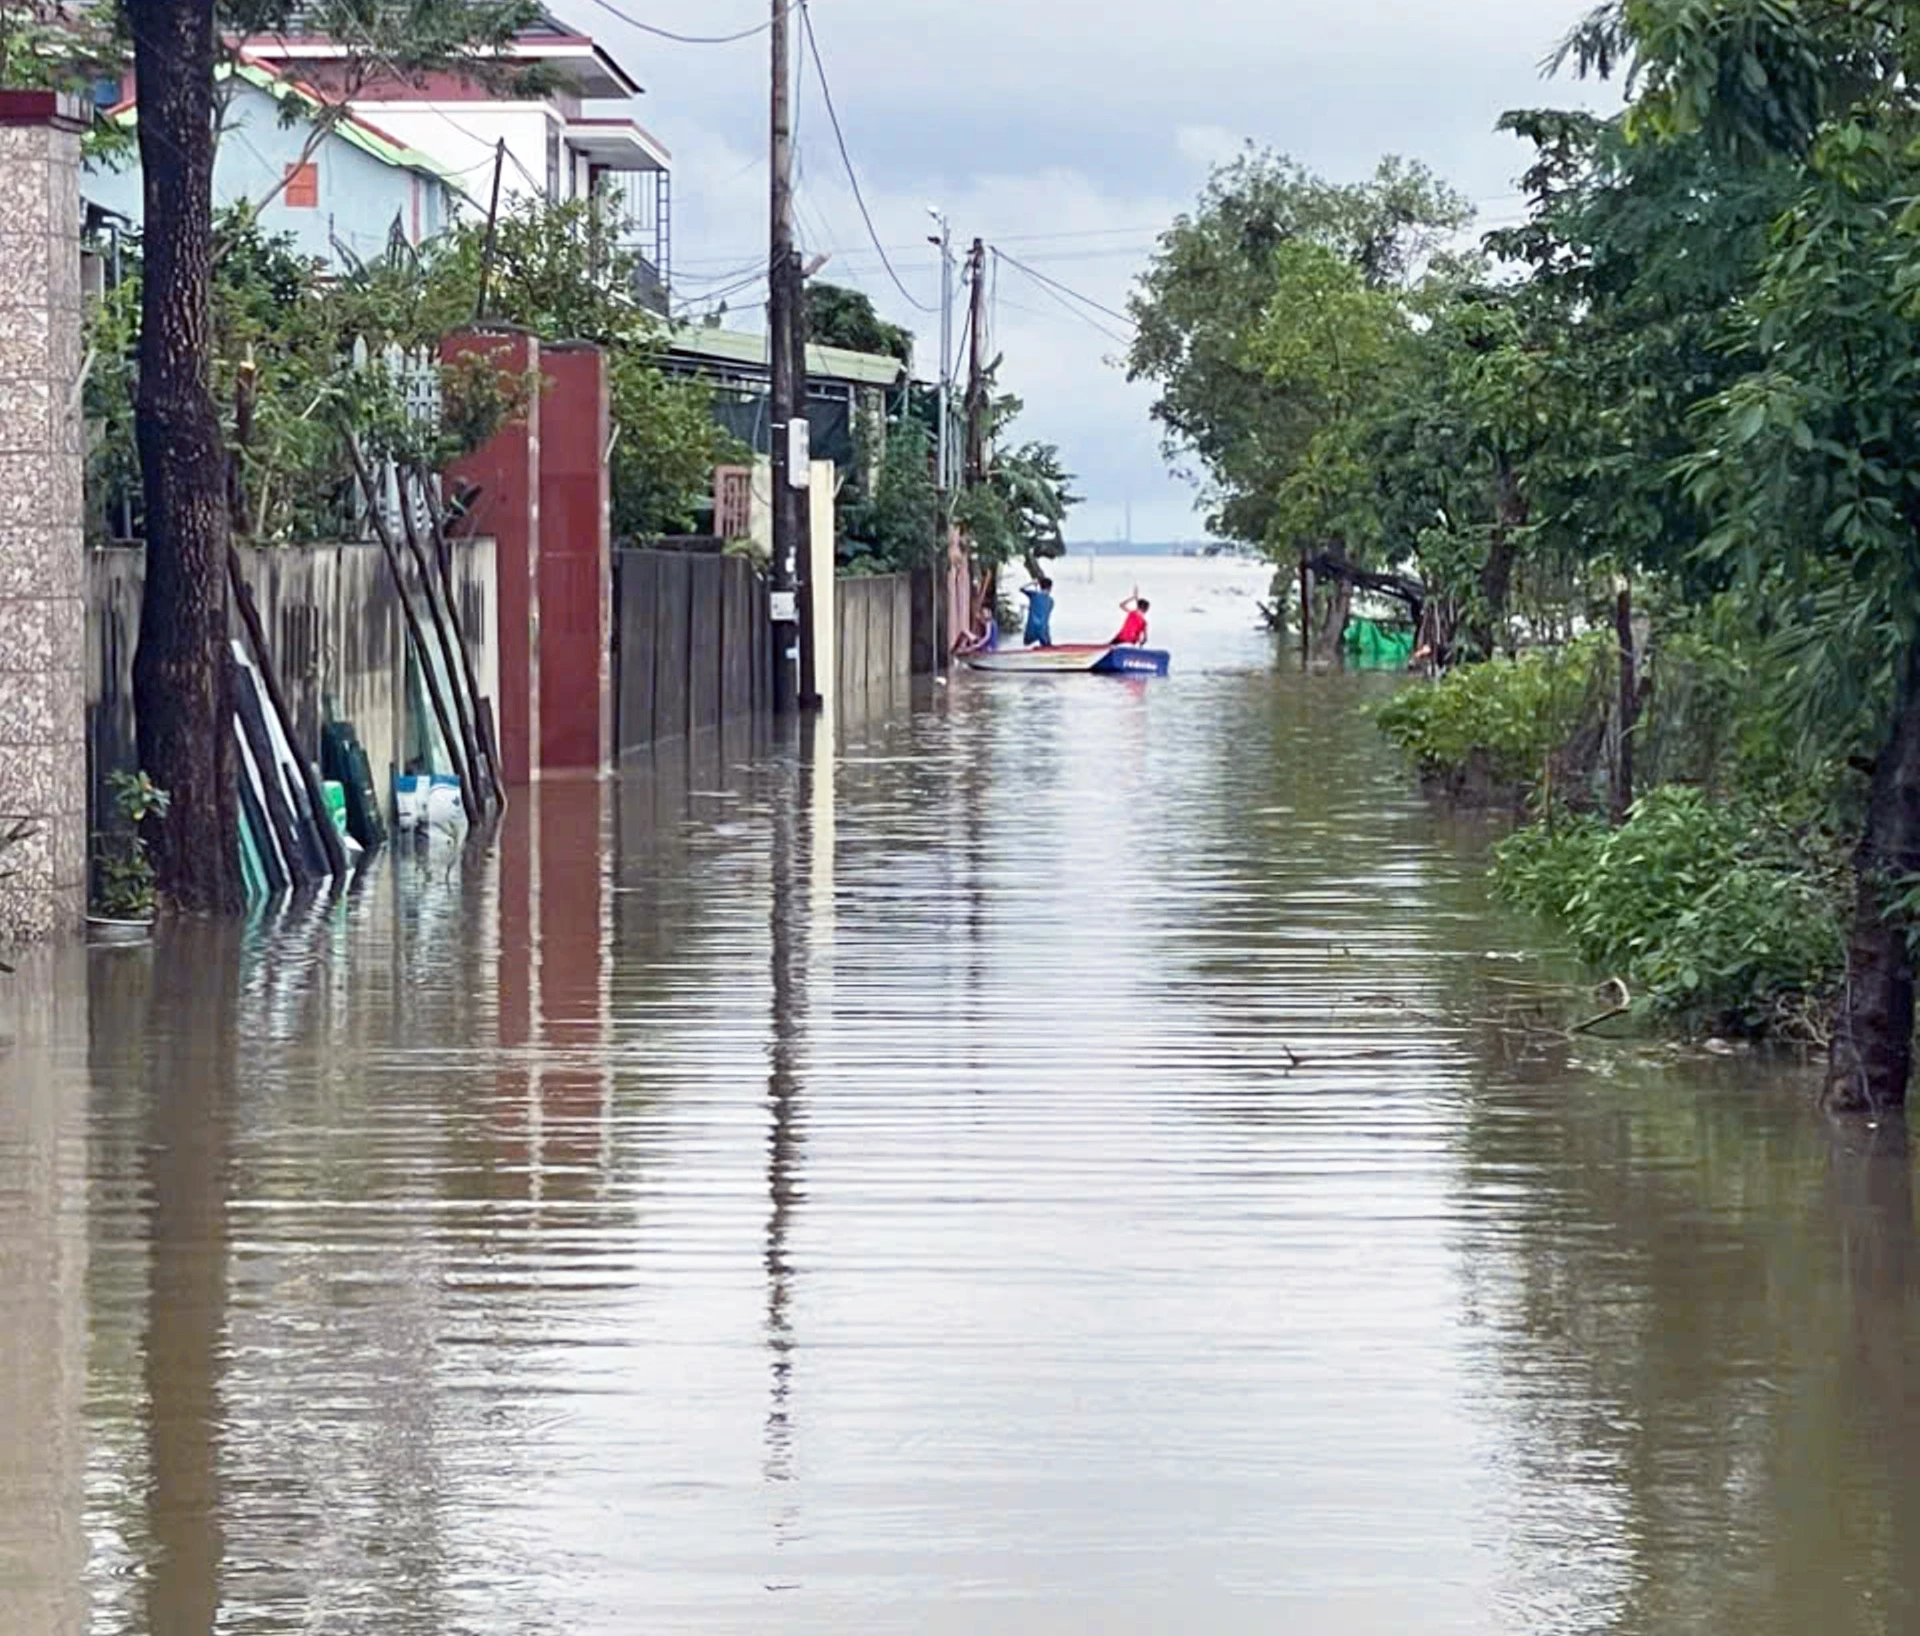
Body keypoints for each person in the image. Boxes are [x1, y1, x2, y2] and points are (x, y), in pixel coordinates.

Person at [1020, 576, 1055, 647]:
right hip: (1043, 630)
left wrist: (1031, 583)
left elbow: (1021, 589)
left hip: (1032, 629)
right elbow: (1044, 611)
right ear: (1050, 588)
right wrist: (1029, 607)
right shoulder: (1051, 601)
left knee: (1026, 643)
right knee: (1047, 646)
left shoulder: (1034, 595)